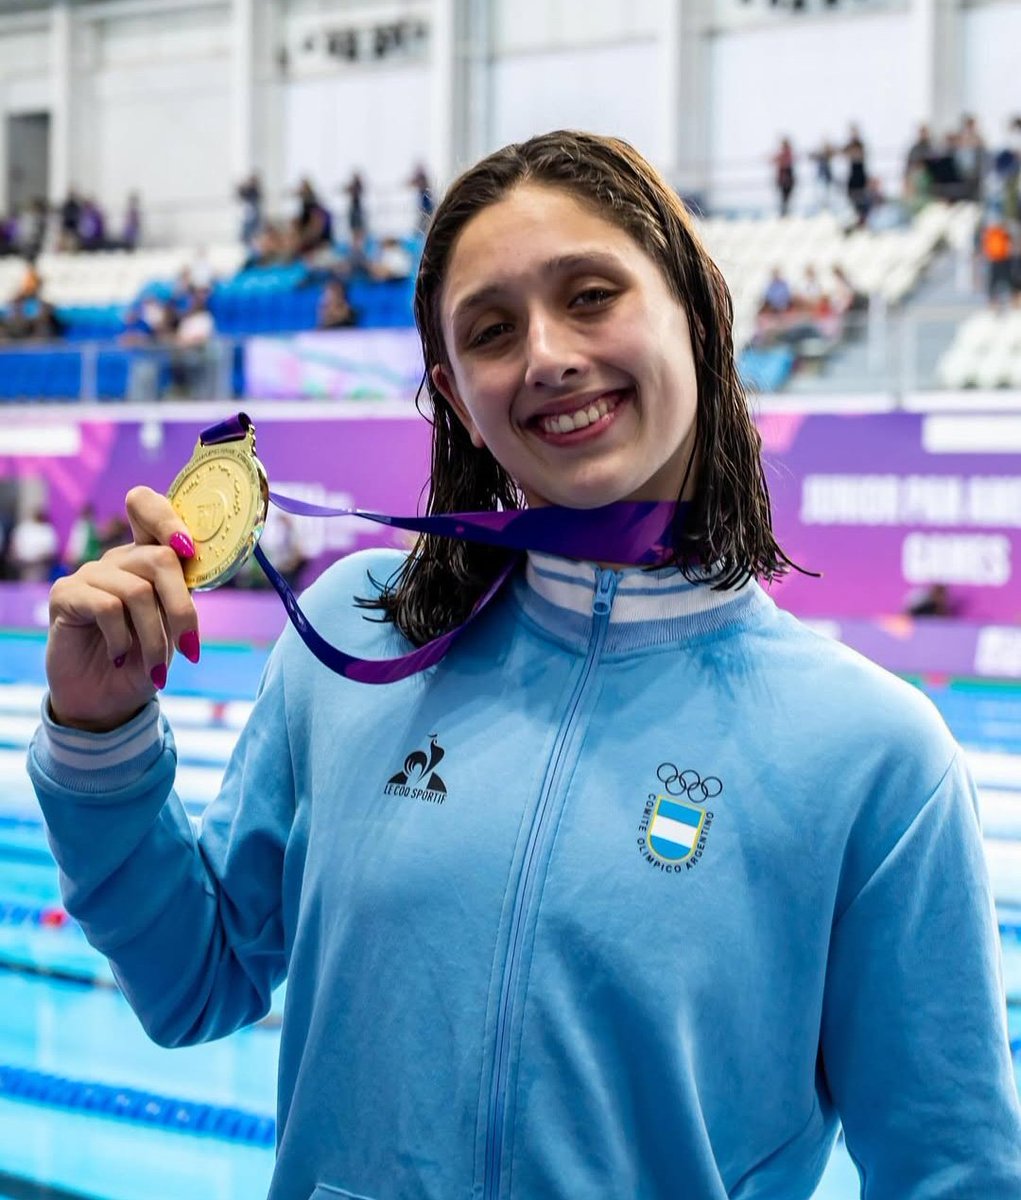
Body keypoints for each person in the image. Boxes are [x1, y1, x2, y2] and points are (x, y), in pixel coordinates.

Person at [27, 131, 1021, 1200]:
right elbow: (194, 985)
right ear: (458, 397)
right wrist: (99, 732)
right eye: (494, 331)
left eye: (591, 295)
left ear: (695, 314)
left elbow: (952, 1172)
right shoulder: (355, 633)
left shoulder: (870, 754)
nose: (546, 353)